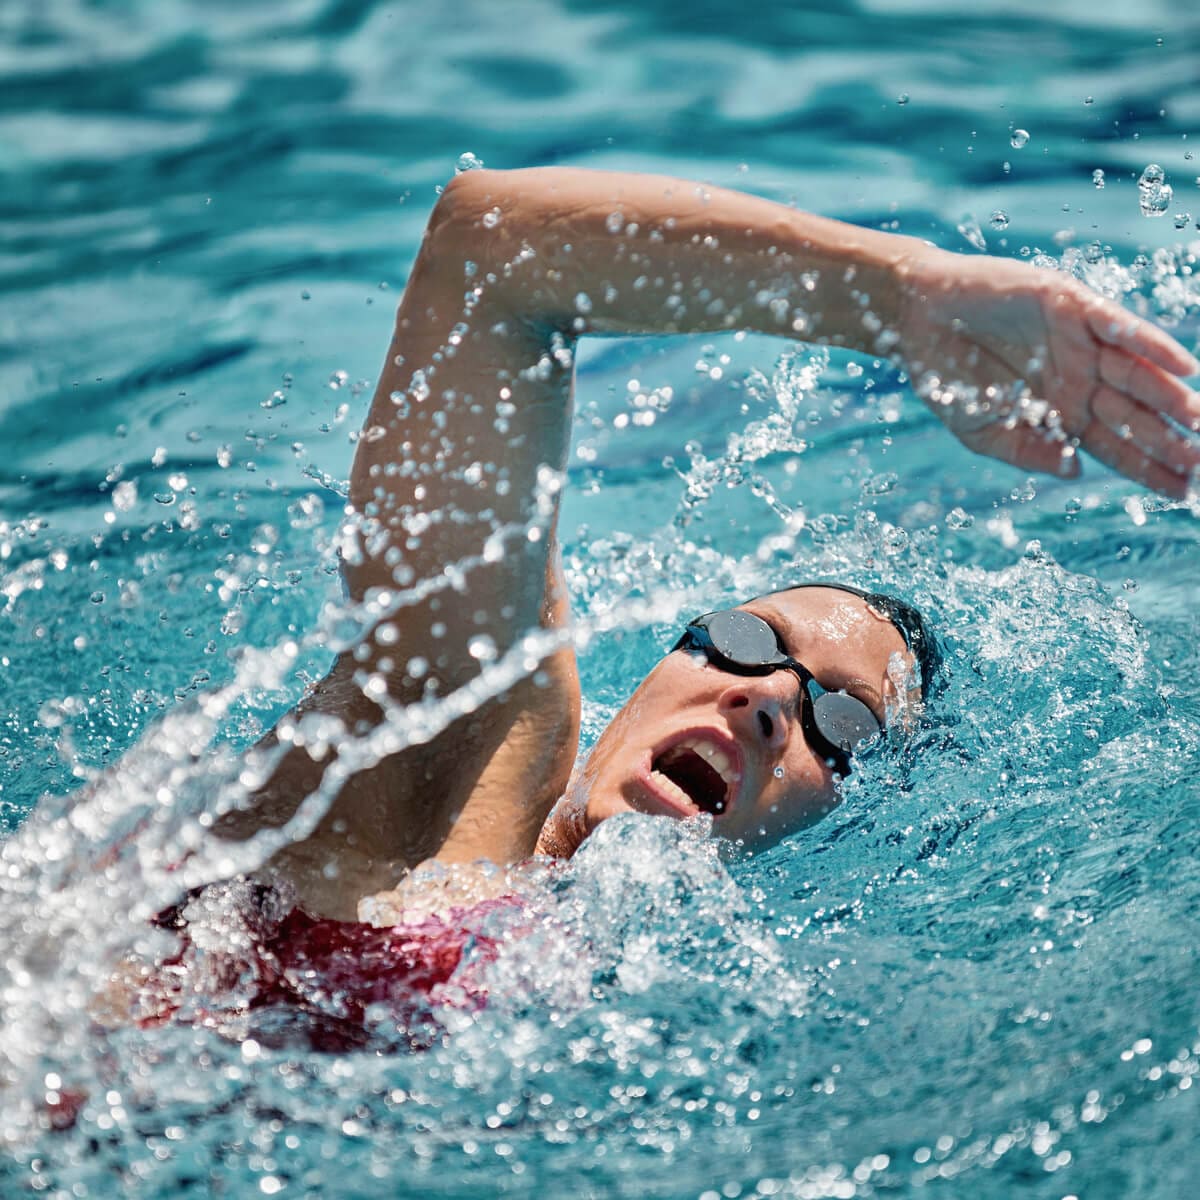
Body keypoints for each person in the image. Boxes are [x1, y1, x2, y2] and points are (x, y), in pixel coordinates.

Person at [207, 166, 1200, 925]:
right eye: (746, 639)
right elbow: (490, 249)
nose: (769, 698)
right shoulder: (467, 745)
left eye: (840, 724)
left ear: (830, 821)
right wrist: (900, 302)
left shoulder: (600, 1010)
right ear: (654, 668)